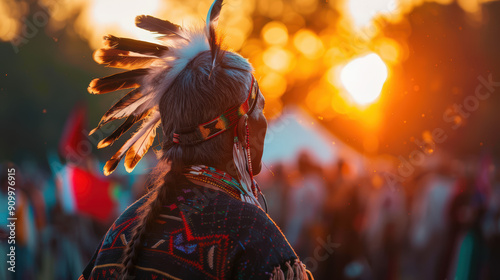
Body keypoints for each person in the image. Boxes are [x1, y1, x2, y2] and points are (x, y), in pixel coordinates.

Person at [79, 1, 313, 279]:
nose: (265, 121)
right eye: (260, 109)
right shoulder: (250, 233)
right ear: (242, 128)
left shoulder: (122, 230)